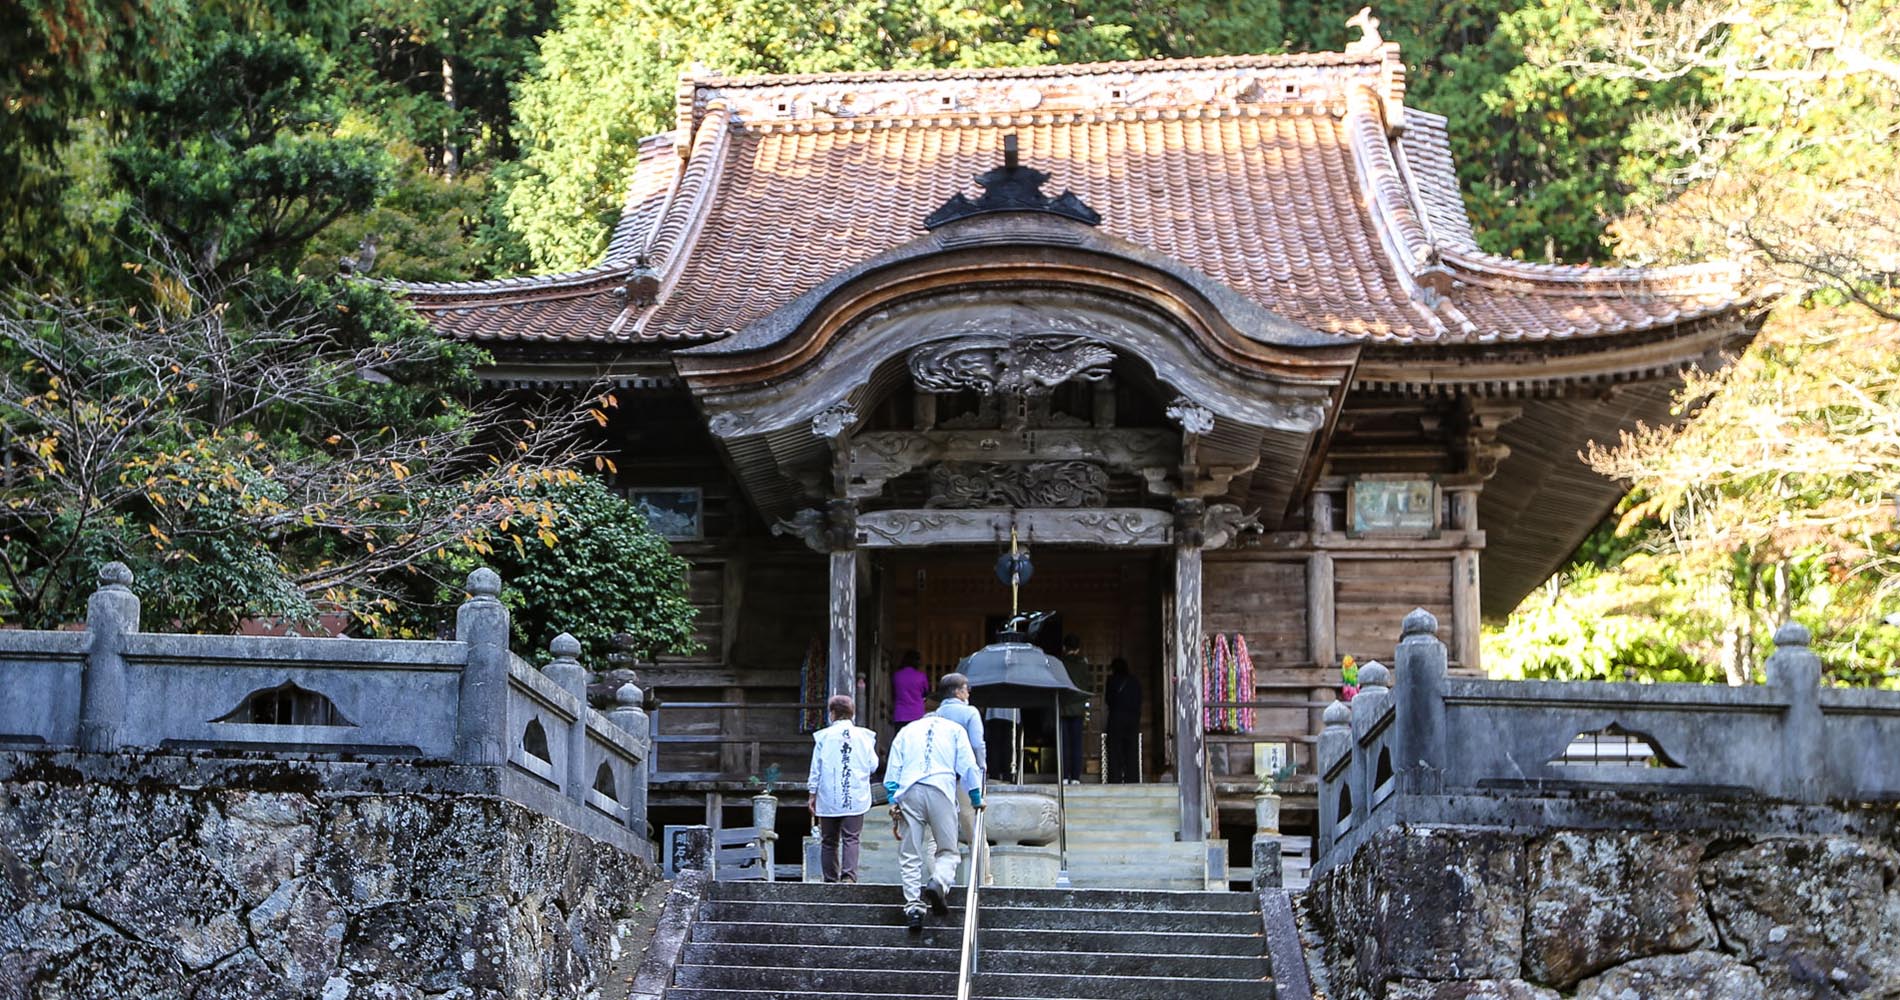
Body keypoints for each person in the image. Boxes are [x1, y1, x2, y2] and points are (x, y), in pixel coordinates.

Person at [884, 710, 984, 932]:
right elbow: (968, 766)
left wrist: (893, 798)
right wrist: (976, 797)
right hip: (941, 789)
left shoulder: (906, 730)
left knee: (910, 852)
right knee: (948, 850)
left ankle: (913, 908)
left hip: (909, 790)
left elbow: (893, 771)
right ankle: (938, 881)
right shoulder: (955, 730)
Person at [808, 694, 879, 882]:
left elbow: (816, 768)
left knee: (829, 840)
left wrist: (812, 793)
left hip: (828, 794)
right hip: (854, 793)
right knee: (851, 837)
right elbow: (873, 765)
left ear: (832, 713)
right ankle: (848, 877)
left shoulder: (823, 737)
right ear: (852, 713)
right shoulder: (864, 736)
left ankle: (830, 879)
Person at [932, 673, 993, 886]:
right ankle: (983, 880)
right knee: (975, 833)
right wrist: (981, 768)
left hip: (939, 780)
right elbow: (977, 744)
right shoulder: (969, 712)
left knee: (936, 836)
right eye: (967, 689)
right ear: (958, 691)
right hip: (965, 780)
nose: (968, 693)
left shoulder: (933, 715)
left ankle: (937, 880)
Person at [1058, 634, 1091, 784]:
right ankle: (1076, 777)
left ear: (1064, 648)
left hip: (1064, 707)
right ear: (1078, 648)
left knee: (1064, 743)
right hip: (1078, 707)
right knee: (1077, 743)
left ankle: (1065, 776)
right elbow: (1087, 685)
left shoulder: (1061, 663)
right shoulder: (1083, 664)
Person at [1104, 657, 1142, 783]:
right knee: (1131, 751)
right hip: (1132, 720)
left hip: (1116, 719)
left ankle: (1115, 779)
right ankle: (1132, 778)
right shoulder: (1135, 681)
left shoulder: (1111, 681)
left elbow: (1108, 700)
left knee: (1115, 751)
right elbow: (1139, 700)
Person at [892, 650, 929, 727]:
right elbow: (925, 693)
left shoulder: (897, 675)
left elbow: (894, 692)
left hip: (900, 714)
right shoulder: (921, 676)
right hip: (917, 713)